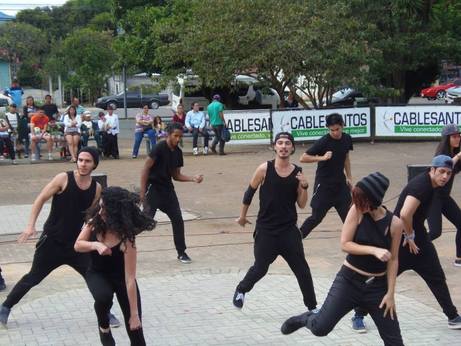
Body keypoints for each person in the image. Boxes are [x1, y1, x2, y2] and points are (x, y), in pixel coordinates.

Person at [0, 147, 119, 328]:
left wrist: (98, 239)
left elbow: (92, 217)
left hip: (76, 246)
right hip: (52, 242)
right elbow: (40, 199)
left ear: (94, 164)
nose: (83, 164)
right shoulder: (63, 178)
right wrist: (30, 225)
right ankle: (5, 307)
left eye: (87, 161)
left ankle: (105, 312)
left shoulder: (96, 188)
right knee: (33, 277)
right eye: (80, 160)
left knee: (93, 276)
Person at [281, 172, 404, 346]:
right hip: (348, 281)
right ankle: (305, 318)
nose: (357, 204)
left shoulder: (395, 224)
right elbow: (345, 244)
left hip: (378, 287)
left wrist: (390, 293)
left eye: (362, 201)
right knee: (320, 328)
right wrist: (373, 250)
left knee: (395, 342)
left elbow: (393, 260)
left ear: (374, 200)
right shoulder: (356, 210)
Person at [352, 155, 461, 330]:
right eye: (441, 172)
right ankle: (358, 313)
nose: (445, 177)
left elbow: (452, 163)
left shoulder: (434, 183)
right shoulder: (422, 186)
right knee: (385, 280)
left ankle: (452, 316)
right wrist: (409, 236)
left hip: (419, 241)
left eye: (448, 173)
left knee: (436, 277)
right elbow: (404, 214)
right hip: (401, 241)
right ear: (432, 170)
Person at [232, 132, 317, 312]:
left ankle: (312, 308)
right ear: (274, 146)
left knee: (302, 270)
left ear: (292, 148)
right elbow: (249, 192)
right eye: (280, 143)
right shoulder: (264, 168)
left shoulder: (297, 172)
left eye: (287, 143)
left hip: (288, 231)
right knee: (260, 268)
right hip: (266, 231)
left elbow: (301, 205)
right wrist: (242, 216)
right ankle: (241, 289)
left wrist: (304, 186)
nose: (284, 146)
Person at [75, 187, 155, 346]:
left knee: (136, 332)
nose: (101, 211)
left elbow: (130, 279)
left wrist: (134, 314)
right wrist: (95, 245)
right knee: (103, 297)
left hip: (122, 279)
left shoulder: (126, 239)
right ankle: (104, 325)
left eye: (105, 209)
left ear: (116, 213)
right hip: (97, 273)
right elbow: (77, 245)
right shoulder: (93, 222)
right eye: (101, 206)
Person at [140, 122, 204, 263]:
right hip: (153, 188)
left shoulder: (178, 153)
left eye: (180, 137)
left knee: (177, 219)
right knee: (145, 222)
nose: (177, 139)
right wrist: (142, 193)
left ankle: (181, 252)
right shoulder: (158, 148)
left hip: (167, 190)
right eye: (175, 136)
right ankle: (122, 241)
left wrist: (192, 178)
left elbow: (176, 176)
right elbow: (145, 169)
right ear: (168, 134)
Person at [299, 113, 353, 238]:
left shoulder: (347, 139)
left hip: (340, 186)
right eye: (331, 130)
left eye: (337, 129)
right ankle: (297, 237)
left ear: (343, 126)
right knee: (316, 217)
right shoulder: (323, 142)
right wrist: (322, 157)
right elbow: (303, 158)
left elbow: (346, 158)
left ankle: (357, 244)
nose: (335, 132)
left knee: (349, 217)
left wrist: (349, 177)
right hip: (324, 186)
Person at [428, 124, 461, 267]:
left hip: (444, 197)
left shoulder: (456, 153)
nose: (458, 138)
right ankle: (406, 247)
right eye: (454, 136)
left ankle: (459, 258)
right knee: (435, 232)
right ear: (447, 139)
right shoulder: (442, 155)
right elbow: (447, 165)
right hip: (433, 196)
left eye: (459, 135)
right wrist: (458, 156)